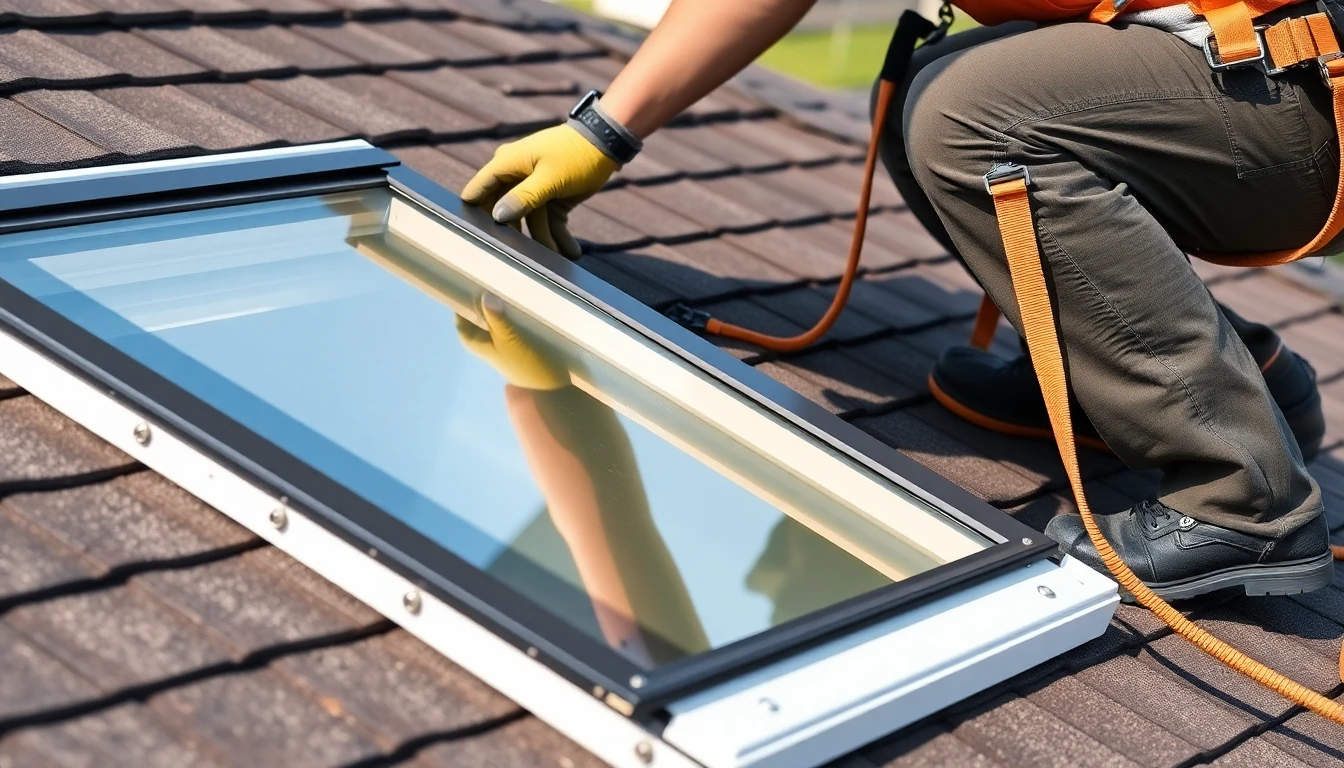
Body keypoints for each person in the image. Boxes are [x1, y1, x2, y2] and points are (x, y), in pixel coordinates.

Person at [462, 0, 1336, 599]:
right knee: (942, 79)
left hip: (1296, 85)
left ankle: (1241, 495)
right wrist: (601, 130)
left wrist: (606, 130)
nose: (762, 583)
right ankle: (1186, 382)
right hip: (1254, 69)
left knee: (972, 113)